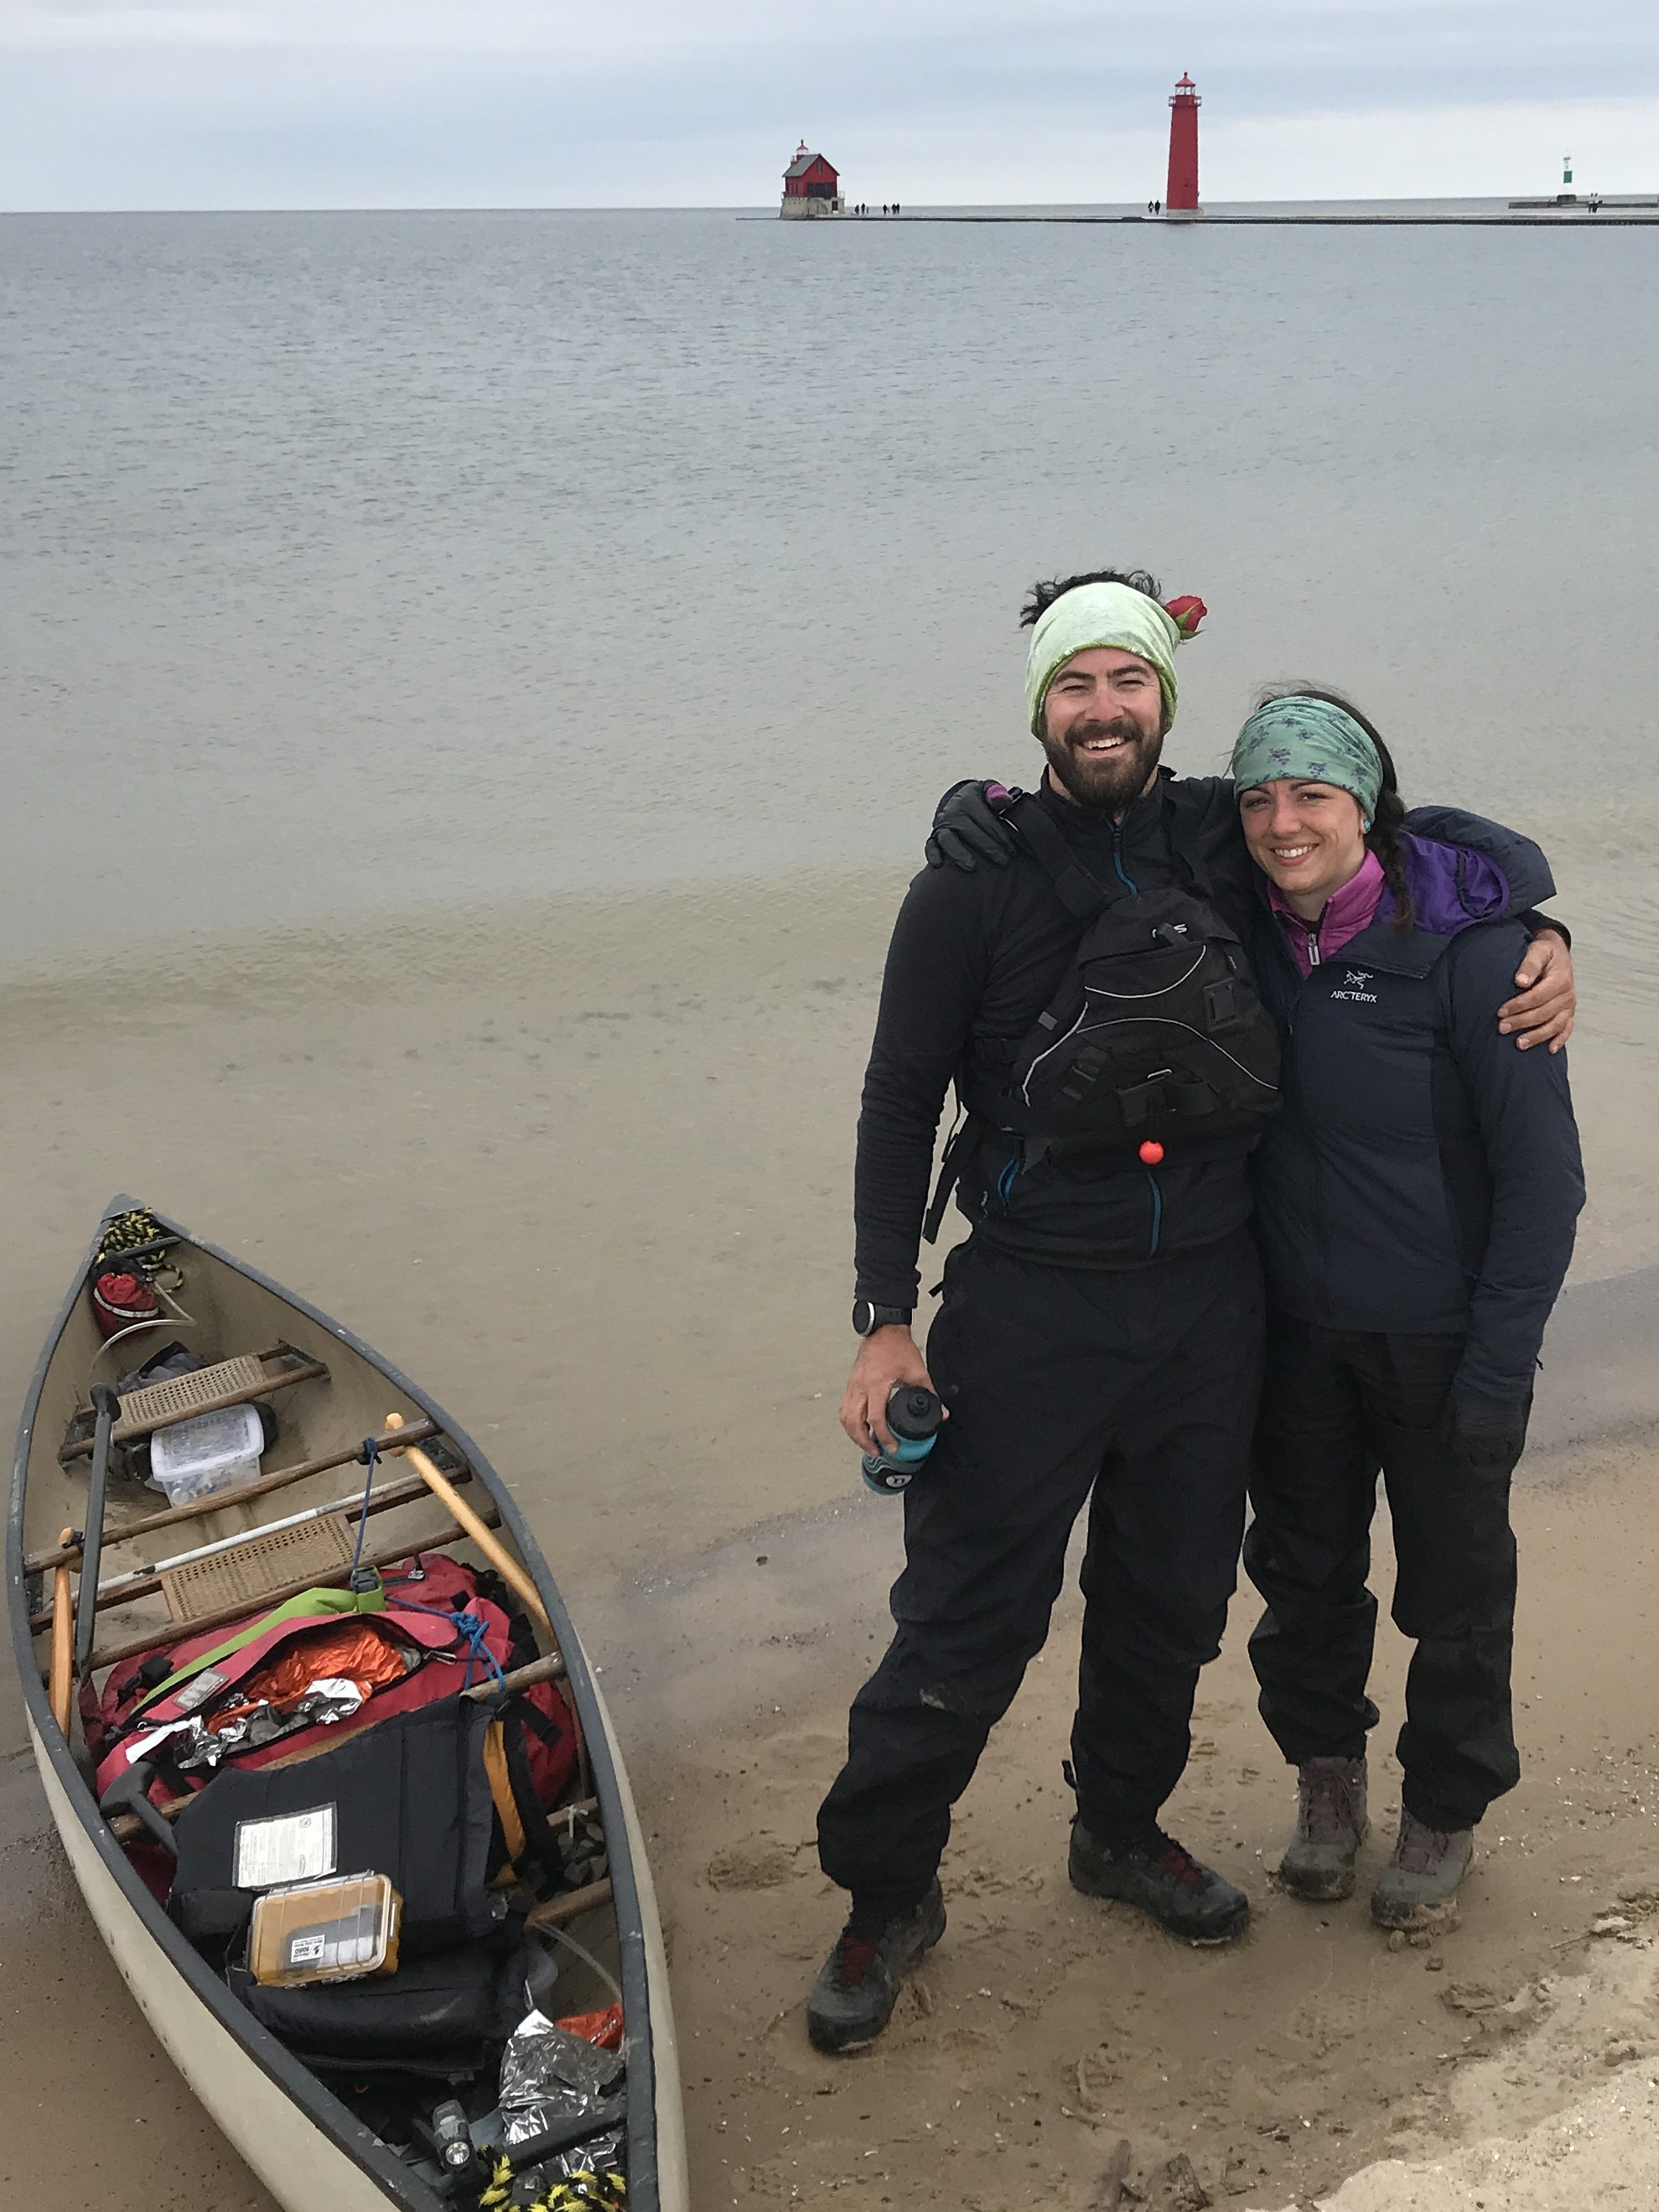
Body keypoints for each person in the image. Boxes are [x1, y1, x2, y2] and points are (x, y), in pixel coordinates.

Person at [805, 570, 1574, 2056]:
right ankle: (885, 1893)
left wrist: (1540, 930)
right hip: (1031, 1301)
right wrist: (883, 1314)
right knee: (966, 1616)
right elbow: (899, 1102)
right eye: (1075, 684)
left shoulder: (1222, 834)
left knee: (1170, 1601)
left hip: (1215, 1302)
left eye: (1129, 682)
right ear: (1038, 705)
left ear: (1166, 698)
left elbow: (1419, 840)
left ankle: (1119, 1827)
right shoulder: (968, 878)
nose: (1103, 710)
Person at [1228, 692, 1584, 1926]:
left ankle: (1444, 1805)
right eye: (1260, 797)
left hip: (1442, 1342)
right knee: (1304, 1578)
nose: (1284, 823)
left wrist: (1499, 1369)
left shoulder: (1479, 957)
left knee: (1456, 1590)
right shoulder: (1243, 931)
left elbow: (1543, 1186)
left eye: (1313, 794)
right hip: (1296, 1339)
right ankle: (1328, 1782)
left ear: (1367, 807)